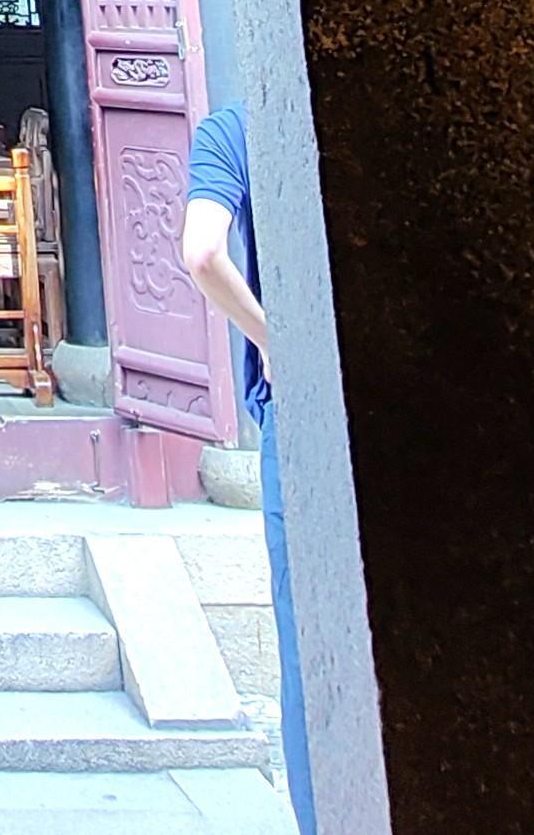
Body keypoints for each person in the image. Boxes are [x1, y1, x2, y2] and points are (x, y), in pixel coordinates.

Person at [183, 98, 314, 834]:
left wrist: (271, 337)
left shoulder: (235, 127)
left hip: (301, 415)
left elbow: (201, 251)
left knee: (309, 648)